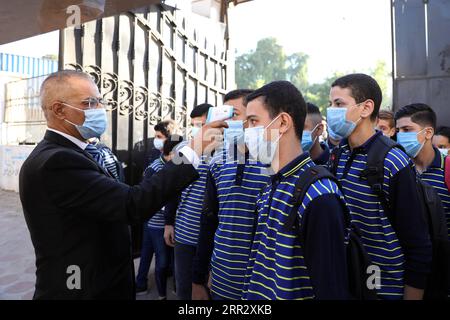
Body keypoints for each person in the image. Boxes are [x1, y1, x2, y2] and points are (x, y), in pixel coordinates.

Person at [18, 70, 226, 300]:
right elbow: (131, 203)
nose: (100, 109)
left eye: (100, 101)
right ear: (59, 110)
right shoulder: (57, 162)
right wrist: (193, 149)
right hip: (79, 288)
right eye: (89, 103)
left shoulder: (72, 152)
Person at [240, 81, 349, 300]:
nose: (247, 132)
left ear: (282, 122)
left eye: (254, 121)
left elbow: (330, 289)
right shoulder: (272, 183)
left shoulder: (320, 195)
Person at [327, 73, 432, 300]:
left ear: (366, 108)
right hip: (349, 283)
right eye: (330, 104)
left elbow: (418, 244)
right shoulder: (339, 155)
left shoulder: (392, 161)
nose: (331, 111)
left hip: (384, 289)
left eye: (339, 104)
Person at [192, 89, 272, 300]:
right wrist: (198, 278)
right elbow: (208, 221)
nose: (225, 122)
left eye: (234, 114)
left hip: (261, 288)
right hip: (220, 281)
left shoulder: (275, 162)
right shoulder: (217, 162)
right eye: (224, 115)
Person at [164, 103, 213, 300]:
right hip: (184, 233)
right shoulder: (184, 150)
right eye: (194, 125)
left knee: (206, 292)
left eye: (201, 125)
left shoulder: (227, 153)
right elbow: (172, 189)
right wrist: (169, 222)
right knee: (184, 290)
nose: (196, 130)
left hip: (210, 239)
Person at [135, 133, 183, 298]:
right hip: (156, 223)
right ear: (170, 153)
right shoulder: (155, 168)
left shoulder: (173, 165)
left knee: (156, 257)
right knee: (161, 262)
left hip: (165, 222)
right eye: (178, 154)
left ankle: (143, 284)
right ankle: (160, 294)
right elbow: (147, 196)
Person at [395, 104, 450, 238]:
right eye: (398, 130)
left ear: (428, 132)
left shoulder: (447, 167)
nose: (400, 136)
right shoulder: (396, 166)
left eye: (407, 129)